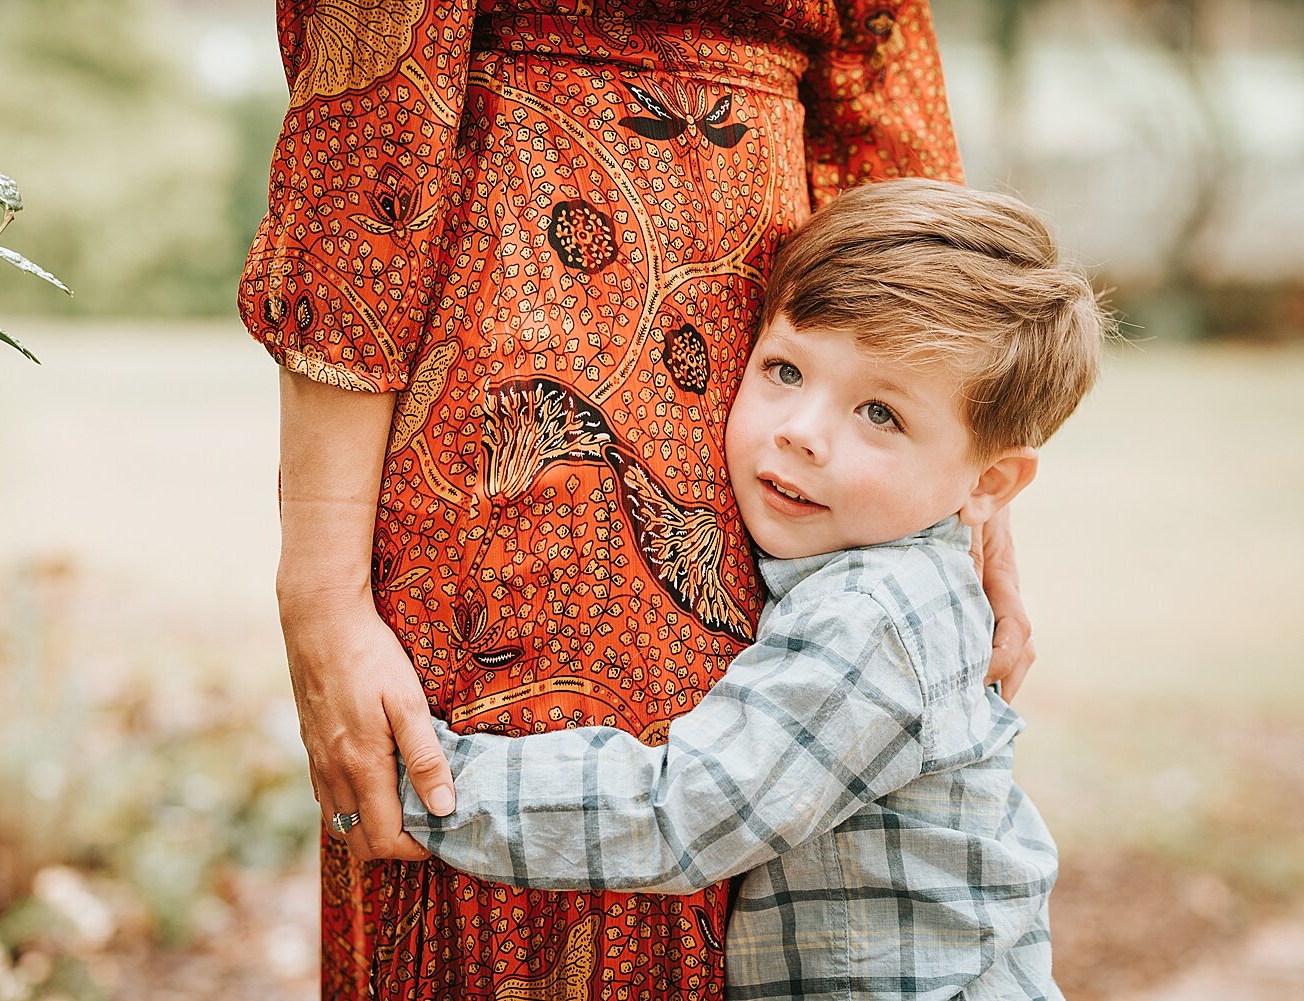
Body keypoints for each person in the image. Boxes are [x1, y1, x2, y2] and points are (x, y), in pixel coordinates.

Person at [238, 1, 1034, 996]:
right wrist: (319, 586)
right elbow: (369, 119)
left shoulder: (873, 558)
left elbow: (886, 97)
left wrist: (973, 501)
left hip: (782, 437)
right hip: (508, 445)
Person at [398, 178, 1107, 999]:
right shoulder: (880, 571)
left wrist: (426, 789)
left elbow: (679, 813)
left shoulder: (874, 616)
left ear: (989, 481)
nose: (801, 431)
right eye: (783, 368)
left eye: (880, 413)